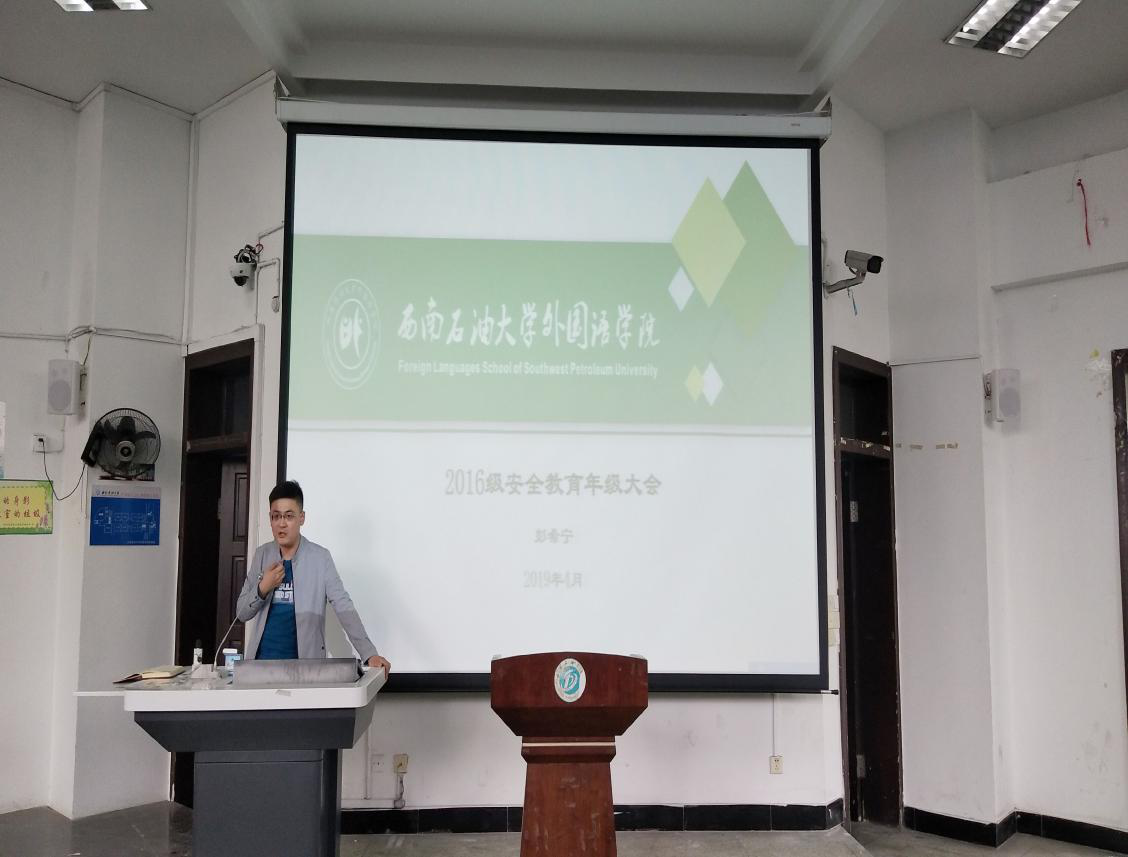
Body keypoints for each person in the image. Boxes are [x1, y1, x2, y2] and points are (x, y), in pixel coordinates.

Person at [237, 479, 391, 674]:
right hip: (260, 667)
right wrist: (262, 588)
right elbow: (241, 613)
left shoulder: (320, 558)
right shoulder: (262, 555)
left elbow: (343, 606)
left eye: (289, 516)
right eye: (276, 516)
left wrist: (369, 653)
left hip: (305, 671)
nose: (281, 523)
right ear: (270, 519)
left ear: (301, 518)